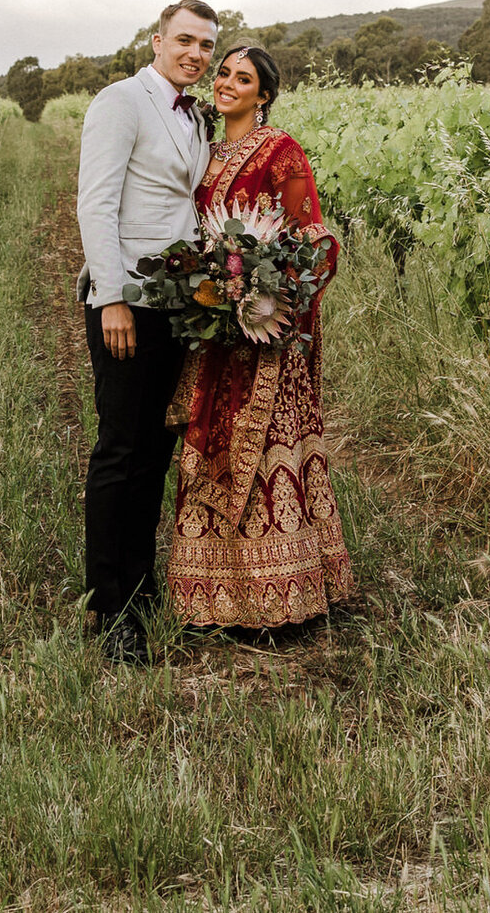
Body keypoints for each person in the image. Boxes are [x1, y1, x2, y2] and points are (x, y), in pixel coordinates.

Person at [165, 45, 356, 632]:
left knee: (269, 445)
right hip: (213, 331)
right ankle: (207, 595)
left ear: (264, 95)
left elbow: (315, 241)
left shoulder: (281, 152)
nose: (225, 83)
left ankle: (284, 591)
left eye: (241, 78)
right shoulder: (206, 152)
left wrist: (268, 300)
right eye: (223, 73)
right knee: (207, 438)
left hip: (267, 332)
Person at [75, 0, 218, 665]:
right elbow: (96, 201)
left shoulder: (195, 118)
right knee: (120, 448)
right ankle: (109, 606)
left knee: (156, 450)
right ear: (157, 40)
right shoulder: (120, 101)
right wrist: (111, 298)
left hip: (177, 304)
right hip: (127, 298)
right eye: (185, 39)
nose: (195, 53)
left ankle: (140, 584)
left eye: (206, 45)